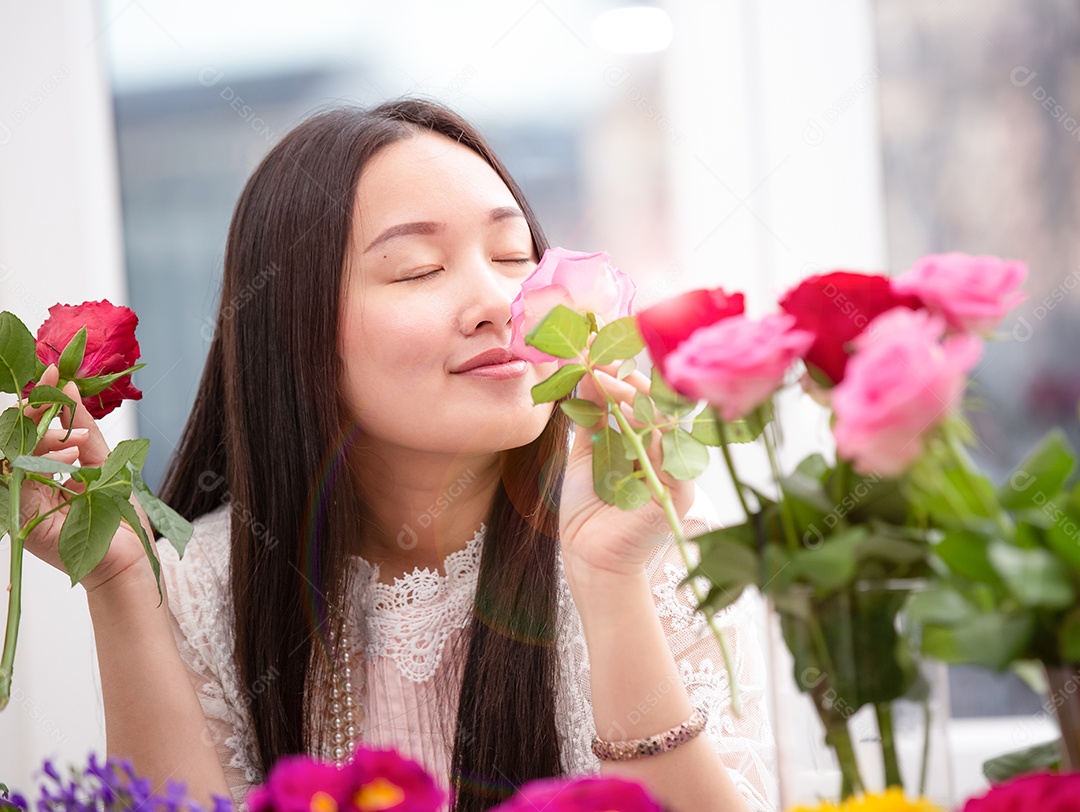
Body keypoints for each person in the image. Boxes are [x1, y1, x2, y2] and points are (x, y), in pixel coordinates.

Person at [22, 99, 777, 812]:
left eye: (515, 255)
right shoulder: (205, 588)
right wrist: (118, 583)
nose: (498, 303)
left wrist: (610, 586)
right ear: (296, 334)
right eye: (419, 269)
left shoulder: (654, 537)